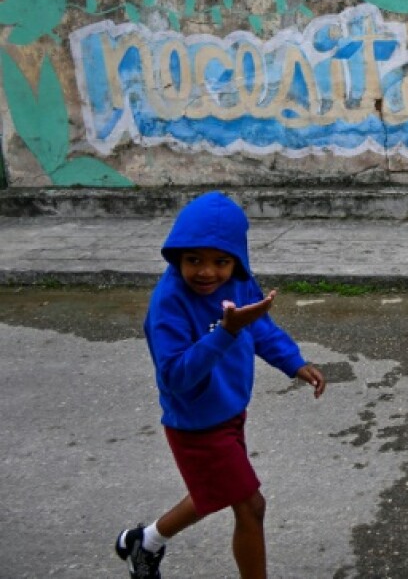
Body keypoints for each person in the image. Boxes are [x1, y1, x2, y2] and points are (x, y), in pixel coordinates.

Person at [115, 191, 326, 579]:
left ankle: (144, 543)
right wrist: (224, 333)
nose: (206, 272)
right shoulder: (169, 303)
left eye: (220, 262)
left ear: (236, 259)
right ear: (176, 254)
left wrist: (293, 362)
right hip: (195, 423)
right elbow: (176, 376)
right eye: (193, 259)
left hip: (230, 411)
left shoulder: (239, 282)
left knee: (213, 493)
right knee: (251, 505)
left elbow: (259, 325)